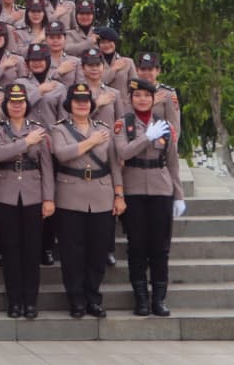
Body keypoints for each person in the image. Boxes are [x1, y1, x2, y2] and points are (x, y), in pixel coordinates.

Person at [52, 81, 125, 318]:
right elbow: (62, 154)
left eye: (85, 101)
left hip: (101, 195)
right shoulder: (60, 129)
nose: (82, 105)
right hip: (70, 195)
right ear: (69, 104)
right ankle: (76, 299)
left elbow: (114, 164)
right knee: (72, 252)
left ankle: (93, 297)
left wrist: (119, 194)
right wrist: (91, 142)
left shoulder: (103, 128)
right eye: (77, 101)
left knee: (97, 251)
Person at [115, 77, 183, 317]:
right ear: (131, 99)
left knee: (160, 247)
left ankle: (159, 299)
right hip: (133, 188)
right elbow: (123, 152)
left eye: (146, 95)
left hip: (161, 188)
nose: (142, 99)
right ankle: (141, 298)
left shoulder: (165, 125)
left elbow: (173, 162)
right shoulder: (123, 124)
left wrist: (178, 195)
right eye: (137, 95)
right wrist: (147, 137)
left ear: (154, 99)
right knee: (137, 247)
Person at [0, 82, 55, 319]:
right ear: (6, 105)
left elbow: (46, 166)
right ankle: (14, 302)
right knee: (11, 250)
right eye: (13, 102)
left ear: (27, 104)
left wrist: (48, 198)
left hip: (33, 192)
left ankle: (30, 302)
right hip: (5, 193)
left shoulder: (38, 129)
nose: (17, 106)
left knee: (32, 250)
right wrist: (26, 142)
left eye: (21, 102)